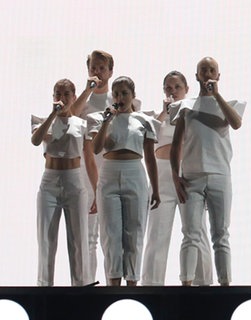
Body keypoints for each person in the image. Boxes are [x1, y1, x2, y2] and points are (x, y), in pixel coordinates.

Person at [170, 57, 246, 286]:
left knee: (221, 234)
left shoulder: (231, 103)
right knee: (190, 233)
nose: (208, 73)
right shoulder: (186, 105)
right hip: (192, 177)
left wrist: (217, 95)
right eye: (203, 70)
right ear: (197, 76)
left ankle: (225, 284)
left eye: (212, 70)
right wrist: (175, 176)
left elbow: (236, 123)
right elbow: (176, 144)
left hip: (220, 175)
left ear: (218, 75)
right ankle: (186, 283)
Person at [142, 71, 213, 286]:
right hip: (162, 175)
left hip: (187, 173)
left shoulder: (193, 113)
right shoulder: (156, 117)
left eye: (177, 87)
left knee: (196, 230)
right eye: (168, 88)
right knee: (157, 233)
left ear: (186, 89)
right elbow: (147, 135)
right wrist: (164, 114)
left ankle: (203, 283)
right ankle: (152, 285)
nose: (172, 92)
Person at [90, 76, 160, 286]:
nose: (120, 98)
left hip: (134, 173)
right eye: (117, 93)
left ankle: (132, 285)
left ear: (133, 96)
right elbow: (95, 148)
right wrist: (106, 121)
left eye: (124, 93)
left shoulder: (143, 120)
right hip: (109, 173)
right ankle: (113, 285)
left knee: (135, 231)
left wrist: (155, 189)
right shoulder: (101, 118)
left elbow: (150, 157)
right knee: (110, 233)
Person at [31, 79, 90, 286]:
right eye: (58, 93)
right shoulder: (42, 120)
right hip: (50, 180)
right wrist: (53, 114)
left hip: (74, 179)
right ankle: (44, 287)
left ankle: (81, 286)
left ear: (74, 97)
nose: (62, 98)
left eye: (66, 94)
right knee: (46, 238)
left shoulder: (82, 123)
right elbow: (37, 140)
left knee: (78, 238)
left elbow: (89, 157)